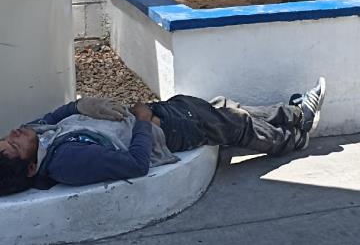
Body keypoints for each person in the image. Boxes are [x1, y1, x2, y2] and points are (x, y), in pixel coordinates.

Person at [0, 77, 326, 196]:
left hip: (159, 114)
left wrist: (79, 104)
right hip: (166, 129)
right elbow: (135, 163)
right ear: (30, 169)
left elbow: (50, 118)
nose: (15, 132)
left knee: (224, 110)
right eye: (14, 143)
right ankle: (296, 129)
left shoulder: (38, 137)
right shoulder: (67, 161)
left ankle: (294, 116)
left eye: (5, 136)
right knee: (235, 124)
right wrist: (143, 120)